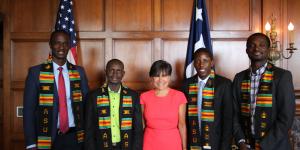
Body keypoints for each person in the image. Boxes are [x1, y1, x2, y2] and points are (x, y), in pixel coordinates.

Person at [23, 30, 89, 150]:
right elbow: (29, 110)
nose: (61, 47)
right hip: (47, 138)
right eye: (57, 43)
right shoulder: (36, 72)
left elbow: (87, 105)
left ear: (69, 45)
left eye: (65, 43)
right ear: (50, 44)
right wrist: (31, 143)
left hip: (75, 137)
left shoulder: (79, 72)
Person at [233, 33, 295, 150]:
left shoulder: (282, 76)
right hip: (246, 145)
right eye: (252, 45)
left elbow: (286, 117)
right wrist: (240, 141)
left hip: (275, 146)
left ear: (268, 50)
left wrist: (264, 146)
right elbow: (235, 114)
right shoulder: (239, 78)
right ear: (247, 50)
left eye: (262, 45)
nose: (256, 48)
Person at [85, 59, 143, 150]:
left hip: (125, 145)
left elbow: (138, 128)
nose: (114, 74)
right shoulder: (93, 96)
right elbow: (89, 129)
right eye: (111, 70)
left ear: (123, 73)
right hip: (101, 145)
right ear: (106, 72)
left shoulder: (133, 96)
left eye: (118, 71)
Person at [182, 48, 233, 150]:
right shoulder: (186, 84)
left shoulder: (224, 84)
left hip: (216, 143)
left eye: (205, 60)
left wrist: (225, 147)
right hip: (193, 141)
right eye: (197, 60)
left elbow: (228, 120)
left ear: (212, 62)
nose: (201, 64)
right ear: (194, 63)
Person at [140, 60, 187, 150]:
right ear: (151, 77)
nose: (160, 80)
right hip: (149, 143)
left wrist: (184, 148)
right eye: (157, 76)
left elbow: (182, 125)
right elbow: (142, 125)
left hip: (173, 143)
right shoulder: (144, 97)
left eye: (164, 75)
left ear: (169, 77)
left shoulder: (179, 96)